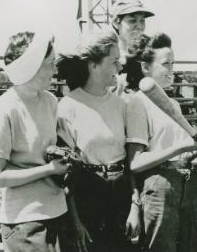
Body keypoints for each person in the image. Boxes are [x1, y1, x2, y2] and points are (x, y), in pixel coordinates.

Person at [0, 31, 69, 252]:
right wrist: (49, 169)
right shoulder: (4, 108)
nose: (55, 70)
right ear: (33, 66)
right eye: (50, 64)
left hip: (57, 212)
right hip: (25, 221)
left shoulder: (49, 101)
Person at [55, 29, 140, 252]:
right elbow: (66, 175)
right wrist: (75, 222)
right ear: (93, 65)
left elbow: (131, 162)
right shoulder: (67, 107)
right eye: (114, 62)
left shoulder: (122, 105)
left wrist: (134, 205)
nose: (120, 67)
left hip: (120, 199)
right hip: (87, 200)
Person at [126, 32, 197, 252]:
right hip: (159, 186)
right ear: (145, 68)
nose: (172, 70)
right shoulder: (137, 103)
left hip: (187, 183)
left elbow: (182, 148)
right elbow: (135, 162)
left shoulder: (173, 105)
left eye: (173, 63)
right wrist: (181, 147)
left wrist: (195, 153)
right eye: (165, 64)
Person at [110, 0, 155, 96]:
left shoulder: (144, 54)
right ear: (116, 23)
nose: (139, 26)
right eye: (132, 20)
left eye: (142, 21)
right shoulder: (106, 56)